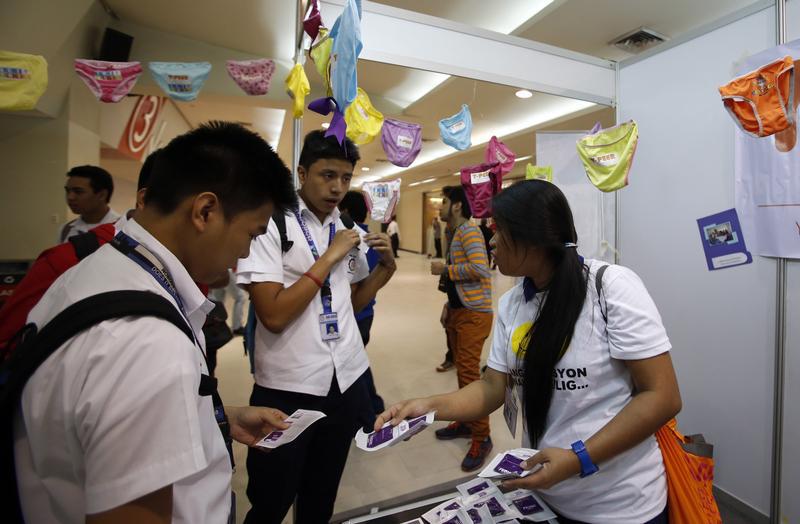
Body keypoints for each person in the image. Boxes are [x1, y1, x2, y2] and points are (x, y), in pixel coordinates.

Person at [14, 121, 298, 523]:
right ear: (205, 211)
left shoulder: (99, 271)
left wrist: (215, 415)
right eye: (251, 235)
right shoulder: (146, 341)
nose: (243, 257)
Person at [378, 180, 682, 524]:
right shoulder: (512, 303)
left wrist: (577, 458)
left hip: (621, 505)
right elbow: (493, 388)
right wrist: (429, 406)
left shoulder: (611, 287)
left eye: (499, 231)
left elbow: (662, 396)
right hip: (547, 494)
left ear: (533, 237)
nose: (491, 241)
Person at [237, 130, 396, 524]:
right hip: (288, 387)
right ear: (302, 173)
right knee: (271, 499)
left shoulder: (348, 229)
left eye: (345, 178)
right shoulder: (271, 224)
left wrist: (386, 271)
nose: (337, 187)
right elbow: (272, 314)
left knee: (320, 496)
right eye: (327, 175)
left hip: (345, 379)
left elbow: (351, 302)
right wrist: (329, 256)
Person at [429, 185, 494, 472]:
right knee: (463, 372)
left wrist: (446, 268)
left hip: (474, 314)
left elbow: (481, 268)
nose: (439, 207)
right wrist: (449, 304)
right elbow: (460, 278)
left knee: (469, 374)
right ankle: (467, 421)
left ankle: (483, 436)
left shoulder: (468, 231)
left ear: (456, 205)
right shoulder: (453, 232)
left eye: (443, 201)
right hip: (459, 310)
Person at [339, 190, 385, 415]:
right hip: (367, 311)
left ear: (345, 211)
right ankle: (374, 404)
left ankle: (368, 413)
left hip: (353, 315)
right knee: (357, 360)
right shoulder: (372, 239)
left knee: (353, 366)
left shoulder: (351, 240)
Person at [59, 165, 121, 242]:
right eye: (68, 191)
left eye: (78, 192)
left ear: (102, 195)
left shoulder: (122, 228)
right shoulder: (67, 229)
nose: (70, 197)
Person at [209, 267, 248, 335]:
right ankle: (237, 327)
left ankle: (215, 327)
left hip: (215, 270)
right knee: (240, 297)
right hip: (227, 269)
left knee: (218, 301)